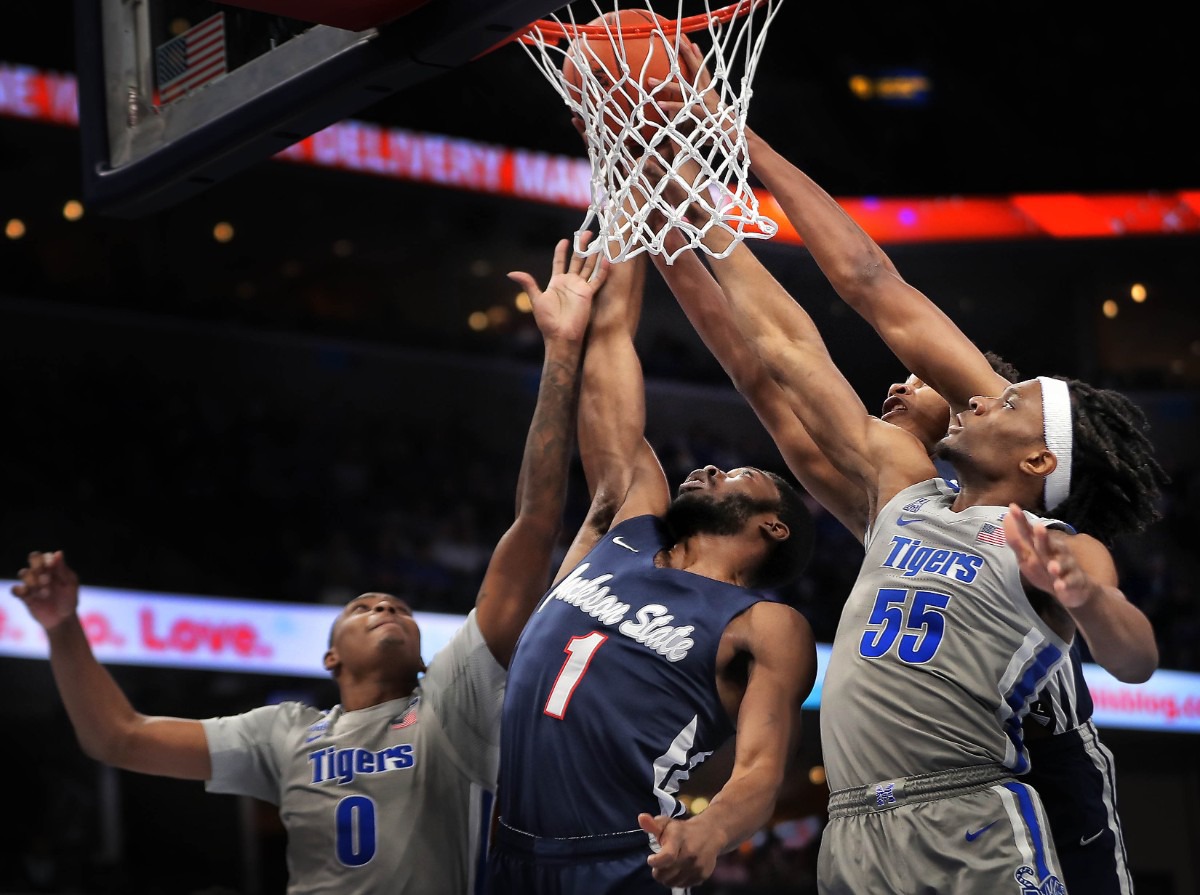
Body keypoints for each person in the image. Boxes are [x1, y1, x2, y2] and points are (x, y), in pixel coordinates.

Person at [646, 50, 1167, 892]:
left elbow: (1136, 655)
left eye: (998, 401)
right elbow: (778, 354)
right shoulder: (907, 493)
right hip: (858, 822)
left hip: (994, 807)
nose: (975, 400)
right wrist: (678, 191)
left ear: (1037, 456)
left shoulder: (1046, 538)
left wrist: (1086, 593)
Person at [10, 235, 609, 895]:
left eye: (399, 608)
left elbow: (533, 523)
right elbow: (118, 737)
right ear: (330, 659)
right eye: (364, 607)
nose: (385, 608)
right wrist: (63, 625)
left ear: (421, 656)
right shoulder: (282, 733)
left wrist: (560, 351)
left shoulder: (450, 701)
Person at [487, 245, 819, 894]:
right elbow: (611, 341)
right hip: (503, 849)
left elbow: (758, 770)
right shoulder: (635, 523)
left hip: (616, 861)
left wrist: (711, 828)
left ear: (772, 525)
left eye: (738, 474)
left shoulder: (765, 624)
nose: (711, 469)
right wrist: (623, 207)